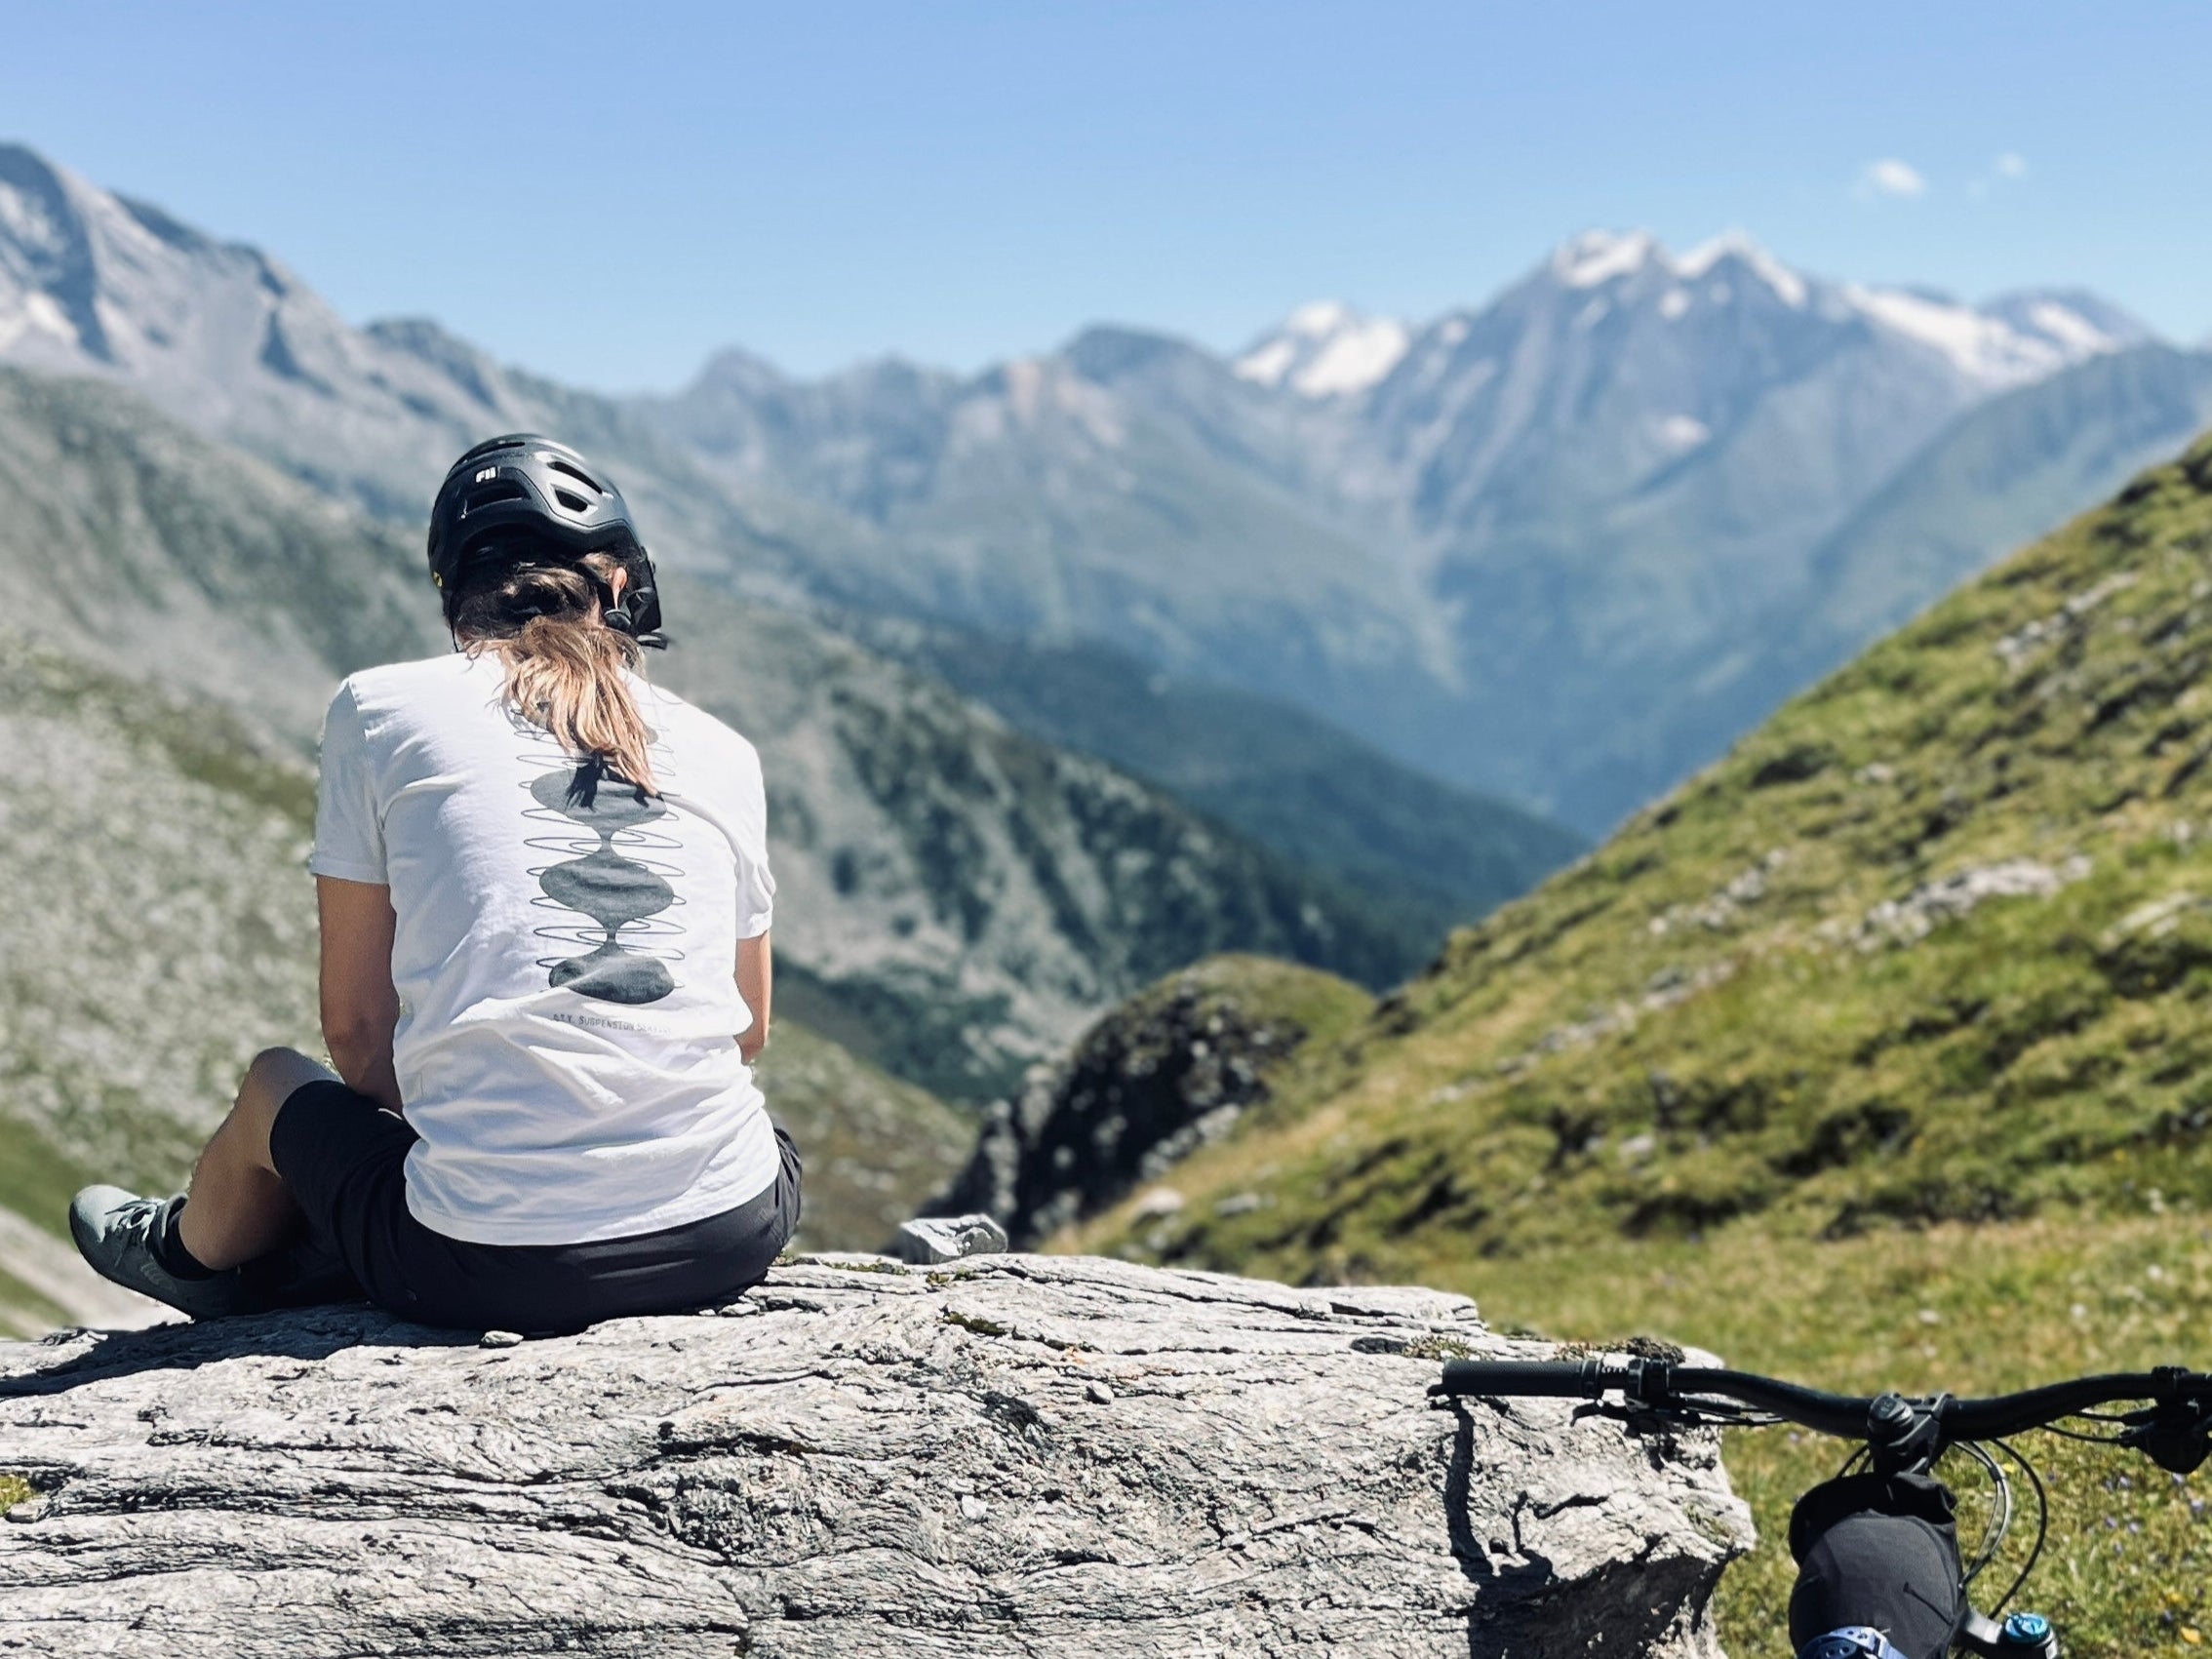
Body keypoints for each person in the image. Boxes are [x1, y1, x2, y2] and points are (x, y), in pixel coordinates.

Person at [69, 433, 801, 1332]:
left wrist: (482, 1131)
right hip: (729, 1232)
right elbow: (748, 1027)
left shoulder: (379, 710)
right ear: (620, 587)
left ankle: (193, 1257)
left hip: (480, 1268)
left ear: (456, 598)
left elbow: (358, 1031)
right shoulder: (724, 749)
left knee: (273, 1085)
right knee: (742, 1127)